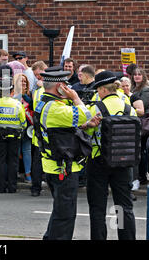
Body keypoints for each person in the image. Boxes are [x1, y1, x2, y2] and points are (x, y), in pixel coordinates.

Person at [36, 68, 95, 240]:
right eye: (66, 86)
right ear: (60, 87)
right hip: (63, 167)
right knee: (65, 215)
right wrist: (76, 98)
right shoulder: (56, 109)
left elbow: (64, 127)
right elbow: (85, 114)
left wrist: (84, 125)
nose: (70, 89)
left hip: (53, 165)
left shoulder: (44, 102)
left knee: (60, 210)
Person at [85, 70, 137, 240]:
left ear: (104, 90)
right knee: (123, 207)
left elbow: (87, 132)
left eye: (98, 90)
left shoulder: (95, 108)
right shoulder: (129, 108)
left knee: (98, 207)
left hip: (98, 161)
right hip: (123, 162)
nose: (97, 93)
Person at [0, 76, 26, 193]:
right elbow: (23, 122)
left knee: (0, 161)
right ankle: (12, 187)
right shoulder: (17, 104)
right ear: (12, 91)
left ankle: (1, 187)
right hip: (14, 137)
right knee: (13, 162)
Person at [130, 67, 149, 189]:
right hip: (135, 122)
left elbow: (142, 106)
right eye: (135, 75)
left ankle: (142, 176)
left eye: (139, 74)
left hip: (144, 122)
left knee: (142, 150)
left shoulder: (147, 90)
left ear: (143, 76)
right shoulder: (132, 89)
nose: (137, 76)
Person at [13, 73, 33, 183]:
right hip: (15, 128)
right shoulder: (12, 96)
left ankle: (28, 174)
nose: (24, 83)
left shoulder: (29, 97)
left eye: (25, 81)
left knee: (27, 151)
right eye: (21, 81)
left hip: (28, 129)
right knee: (16, 151)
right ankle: (14, 172)